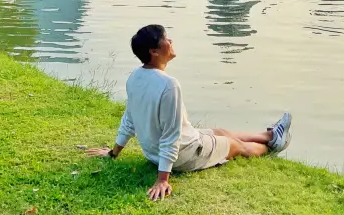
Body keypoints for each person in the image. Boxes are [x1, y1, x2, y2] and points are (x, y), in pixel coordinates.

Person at [87, 24, 292, 200]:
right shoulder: (169, 85)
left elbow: (129, 119)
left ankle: (271, 135)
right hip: (185, 156)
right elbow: (171, 136)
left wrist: (114, 153)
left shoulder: (135, 77)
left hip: (154, 154)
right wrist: (162, 180)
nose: (171, 40)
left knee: (218, 131)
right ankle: (274, 147)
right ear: (154, 51)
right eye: (166, 38)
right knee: (235, 146)